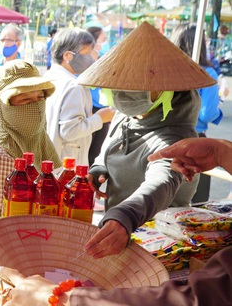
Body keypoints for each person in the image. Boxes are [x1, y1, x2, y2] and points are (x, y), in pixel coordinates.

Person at [0, 137, 232, 306]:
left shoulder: (171, 134)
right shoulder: (126, 118)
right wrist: (223, 153)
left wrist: (61, 299)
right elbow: (104, 154)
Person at [77, 22, 213, 258]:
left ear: (167, 90)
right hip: (118, 234)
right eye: (120, 85)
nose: (125, 93)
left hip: (160, 244)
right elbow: (106, 149)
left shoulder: (178, 140)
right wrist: (99, 169)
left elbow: (162, 182)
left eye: (139, 86)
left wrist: (126, 215)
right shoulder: (126, 115)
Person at [0, 60, 59, 231]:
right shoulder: (1, 155)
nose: (35, 106)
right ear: (4, 106)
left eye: (40, 97)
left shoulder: (38, 139)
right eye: (25, 100)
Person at [44, 28, 115, 166]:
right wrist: (100, 118)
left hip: (49, 161)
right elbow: (70, 131)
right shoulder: (73, 86)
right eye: (87, 52)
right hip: (66, 165)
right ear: (68, 56)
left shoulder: (49, 77)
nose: (92, 57)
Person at [170, 24, 224, 204]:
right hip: (195, 141)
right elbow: (207, 114)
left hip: (163, 138)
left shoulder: (165, 71)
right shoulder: (207, 74)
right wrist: (218, 109)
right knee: (193, 204)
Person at [85, 25, 112, 164]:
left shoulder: (102, 58)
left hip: (103, 107)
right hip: (90, 108)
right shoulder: (83, 61)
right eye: (103, 39)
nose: (105, 42)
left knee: (97, 149)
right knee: (88, 147)